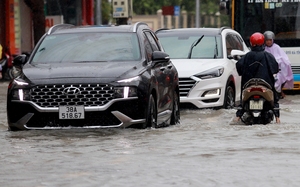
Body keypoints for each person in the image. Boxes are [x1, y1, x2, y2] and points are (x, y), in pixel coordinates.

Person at [235, 32, 280, 123]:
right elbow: (275, 68)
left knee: (242, 102)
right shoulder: (268, 55)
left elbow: (239, 66)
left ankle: (238, 116)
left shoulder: (247, 56)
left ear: (251, 43)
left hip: (248, 85)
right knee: (275, 98)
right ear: (263, 42)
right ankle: (277, 118)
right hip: (266, 85)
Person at [264, 31, 294, 99]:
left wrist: (279, 62)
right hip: (268, 69)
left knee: (281, 77)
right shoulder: (264, 49)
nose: (268, 42)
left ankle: (280, 91)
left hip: (277, 70)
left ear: (272, 40)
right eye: (267, 40)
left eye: (270, 40)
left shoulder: (277, 47)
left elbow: (284, 58)